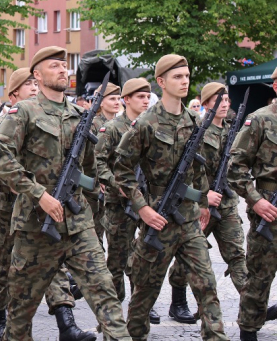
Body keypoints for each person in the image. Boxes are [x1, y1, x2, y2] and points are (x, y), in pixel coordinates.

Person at [0, 49, 130, 341]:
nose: (63, 71)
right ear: (37, 75)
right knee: (19, 315)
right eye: (54, 66)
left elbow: (91, 169)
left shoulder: (80, 116)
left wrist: (108, 195)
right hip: (34, 227)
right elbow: (0, 159)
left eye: (65, 66)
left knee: (106, 296)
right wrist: (39, 194)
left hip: (78, 225)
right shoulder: (24, 112)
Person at [114, 54, 227, 341]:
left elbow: (198, 167)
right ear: (161, 82)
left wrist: (201, 202)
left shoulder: (195, 120)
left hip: (189, 221)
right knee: (145, 292)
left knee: (207, 286)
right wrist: (141, 208)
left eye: (187, 76)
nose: (185, 81)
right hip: (159, 219)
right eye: (177, 77)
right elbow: (122, 169)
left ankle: (216, 336)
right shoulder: (146, 123)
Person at [0, 68, 92, 341]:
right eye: (28, 85)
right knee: (4, 265)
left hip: (43, 208)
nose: (35, 89)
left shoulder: (49, 120)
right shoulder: (1, 125)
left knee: (54, 262)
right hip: (9, 209)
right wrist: (13, 182)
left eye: (35, 84)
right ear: (14, 94)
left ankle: (66, 322)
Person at [167, 83, 248, 322]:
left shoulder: (233, 130)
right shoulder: (198, 132)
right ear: (205, 104)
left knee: (236, 254)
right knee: (190, 257)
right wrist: (202, 195)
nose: (224, 104)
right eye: (218, 100)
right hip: (199, 206)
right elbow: (186, 171)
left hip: (226, 201)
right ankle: (178, 301)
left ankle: (253, 302)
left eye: (226, 100)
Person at [95, 78, 159, 324]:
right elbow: (98, 161)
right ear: (127, 100)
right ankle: (113, 309)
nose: (145, 101)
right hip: (119, 205)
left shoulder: (150, 127)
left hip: (146, 202)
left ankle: (141, 304)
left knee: (144, 257)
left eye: (147, 97)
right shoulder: (112, 128)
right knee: (117, 260)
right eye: (140, 97)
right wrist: (115, 183)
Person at [227, 66, 277, 341]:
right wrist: (256, 201)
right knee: (259, 278)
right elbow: (235, 168)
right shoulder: (259, 121)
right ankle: (248, 331)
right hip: (269, 209)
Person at [87, 82, 122, 247]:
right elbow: (89, 156)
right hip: (97, 186)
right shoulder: (93, 124)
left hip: (117, 187)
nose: (117, 102)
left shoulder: (121, 124)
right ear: (101, 102)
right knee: (96, 232)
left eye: (119, 98)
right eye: (112, 98)